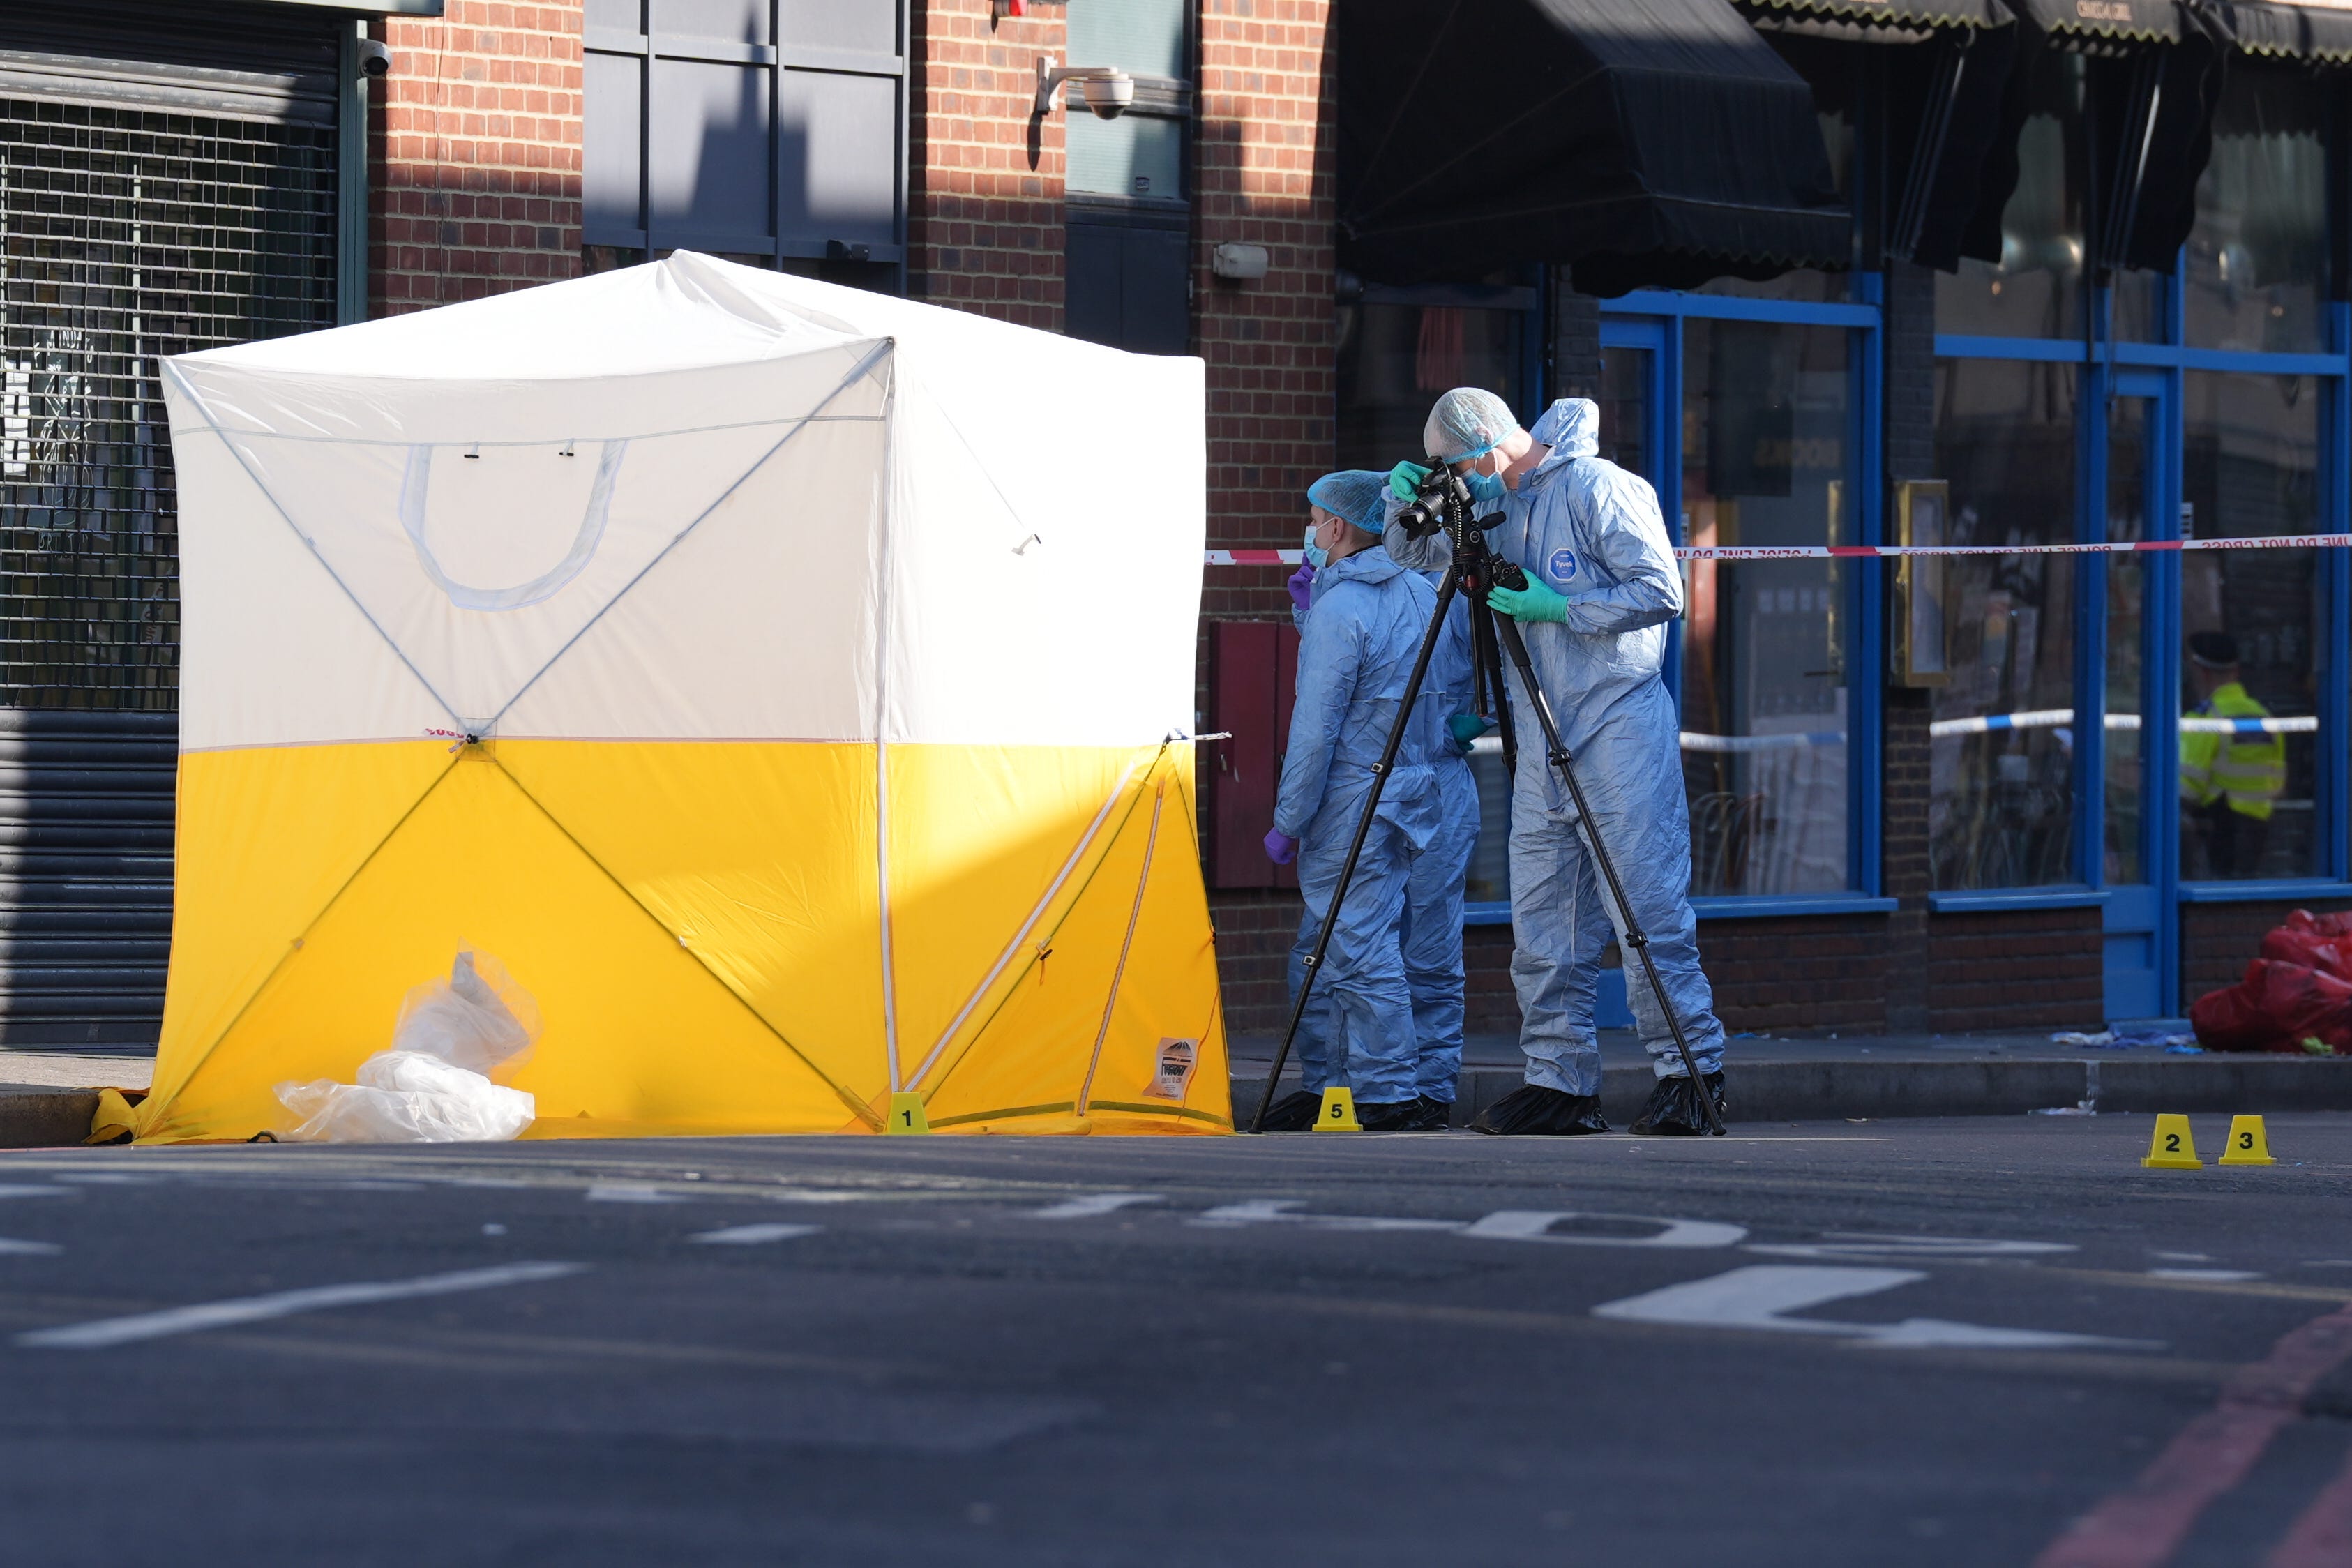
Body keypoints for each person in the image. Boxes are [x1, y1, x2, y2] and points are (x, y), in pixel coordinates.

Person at [1387, 388, 1729, 1136]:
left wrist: (1561, 608)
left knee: (1645, 909)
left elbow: (1661, 590)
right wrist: (1399, 498)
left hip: (1617, 726)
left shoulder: (1599, 487)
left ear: (1485, 446)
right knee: (1545, 923)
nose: (1454, 480)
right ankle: (1560, 1082)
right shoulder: (1498, 506)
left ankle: (1690, 1071)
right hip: (1543, 732)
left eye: (1453, 465)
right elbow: (1412, 553)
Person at [1260, 472, 1447, 1132]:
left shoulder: (1342, 611)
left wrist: (1289, 820)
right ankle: (1330, 1085)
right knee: (1327, 944)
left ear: (1337, 527)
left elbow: (1316, 727)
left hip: (1351, 800)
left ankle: (1386, 1091)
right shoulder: (1419, 592)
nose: (1311, 533)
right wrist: (1310, 610)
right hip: (1406, 791)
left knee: (1359, 948)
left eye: (1315, 521)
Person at [2179, 630, 2284, 879]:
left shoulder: (2205, 720)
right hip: (2260, 833)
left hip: (2219, 832)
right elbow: (2278, 783)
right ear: (2236, 672)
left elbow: (2186, 790)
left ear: (2201, 672)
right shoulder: (2264, 717)